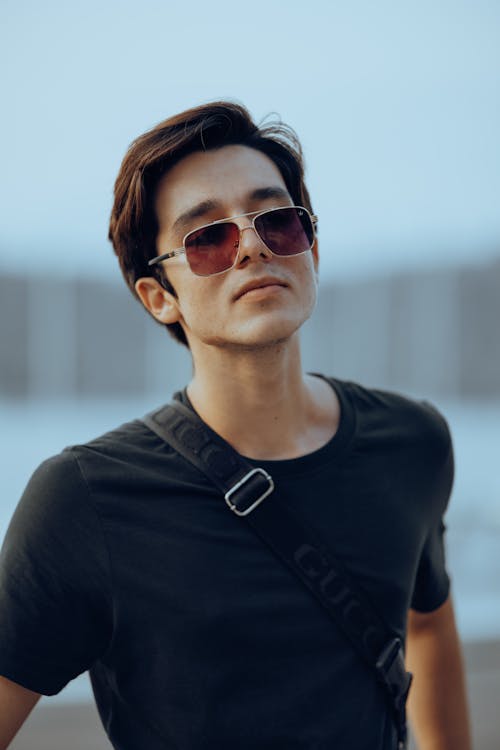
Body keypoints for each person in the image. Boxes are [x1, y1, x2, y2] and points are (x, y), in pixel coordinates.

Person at [0, 101, 472, 750]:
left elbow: (425, 624)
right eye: (208, 238)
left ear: (310, 247)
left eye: (276, 221)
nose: (251, 245)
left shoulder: (413, 441)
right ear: (158, 296)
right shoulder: (83, 500)